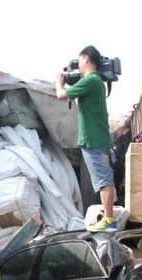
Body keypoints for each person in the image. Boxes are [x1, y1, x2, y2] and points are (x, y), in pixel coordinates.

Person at [56, 45, 116, 231]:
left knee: (103, 181)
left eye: (80, 59)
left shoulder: (90, 80)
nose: (78, 63)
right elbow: (76, 101)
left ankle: (109, 222)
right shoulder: (94, 82)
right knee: (104, 179)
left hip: (93, 139)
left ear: (87, 58)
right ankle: (108, 218)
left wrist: (60, 83)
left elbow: (60, 95)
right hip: (96, 138)